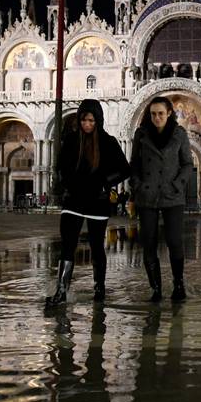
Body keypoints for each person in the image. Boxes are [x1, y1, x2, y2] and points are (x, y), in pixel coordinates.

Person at [46, 99, 130, 307]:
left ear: (98, 120)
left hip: (97, 202)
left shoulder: (108, 142)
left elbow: (124, 169)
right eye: (83, 120)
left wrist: (104, 184)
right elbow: (61, 166)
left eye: (91, 120)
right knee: (68, 245)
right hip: (73, 200)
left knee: (96, 246)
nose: (87, 124)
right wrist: (66, 183)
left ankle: (99, 288)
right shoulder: (72, 140)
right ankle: (62, 290)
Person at [129, 97, 193, 303]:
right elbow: (134, 164)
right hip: (146, 196)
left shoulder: (179, 134)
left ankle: (178, 284)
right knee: (148, 243)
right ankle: (155, 289)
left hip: (172, 195)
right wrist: (136, 185)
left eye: (161, 114)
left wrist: (178, 185)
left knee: (174, 241)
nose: (157, 117)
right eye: (153, 114)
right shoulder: (141, 134)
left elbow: (187, 164)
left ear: (169, 114)